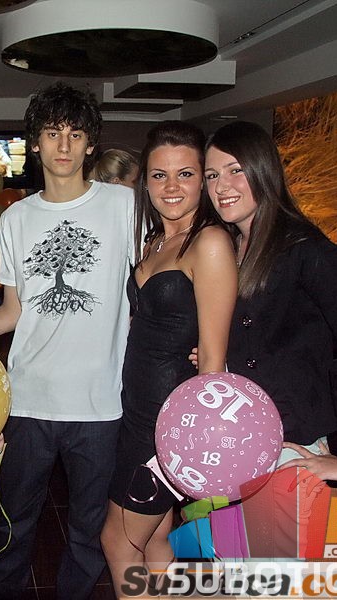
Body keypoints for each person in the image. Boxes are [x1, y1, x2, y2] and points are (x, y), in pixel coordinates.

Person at [0, 82, 136, 600]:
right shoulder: (16, 218)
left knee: (89, 531)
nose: (64, 145)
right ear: (35, 143)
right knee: (12, 521)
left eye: (75, 134)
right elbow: (13, 310)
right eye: (52, 133)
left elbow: (157, 281)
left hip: (101, 403)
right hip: (27, 400)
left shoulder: (124, 206)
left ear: (91, 143)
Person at [201, 120, 337, 483]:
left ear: (264, 171)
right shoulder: (224, 247)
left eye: (235, 170)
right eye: (212, 175)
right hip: (231, 436)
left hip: (291, 445)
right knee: (219, 525)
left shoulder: (307, 251)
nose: (221, 186)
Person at [100, 122, 237, 594]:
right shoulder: (155, 241)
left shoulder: (210, 242)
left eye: (186, 174)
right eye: (159, 175)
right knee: (156, 536)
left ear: (203, 180)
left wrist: (191, 444)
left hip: (170, 425)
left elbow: (213, 359)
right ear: (146, 183)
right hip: (137, 413)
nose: (172, 187)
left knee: (118, 542)